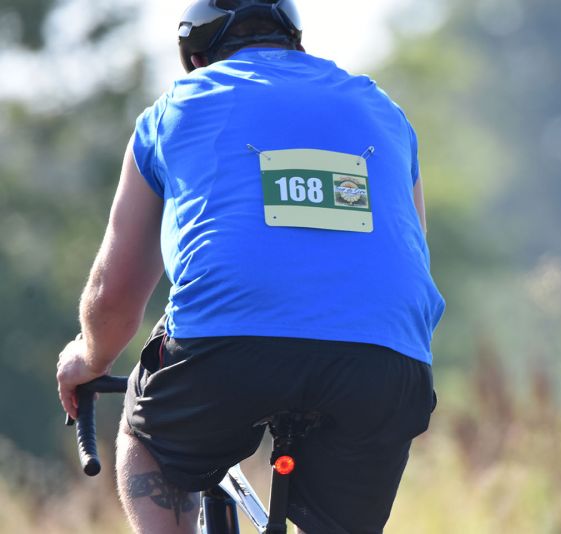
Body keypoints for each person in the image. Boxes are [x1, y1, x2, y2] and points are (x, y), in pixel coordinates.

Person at [55, 1, 445, 533]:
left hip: (226, 348)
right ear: (295, 42)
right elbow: (411, 256)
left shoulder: (177, 108)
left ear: (197, 58)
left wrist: (89, 357)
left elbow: (115, 297)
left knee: (147, 441)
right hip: (386, 361)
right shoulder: (385, 111)